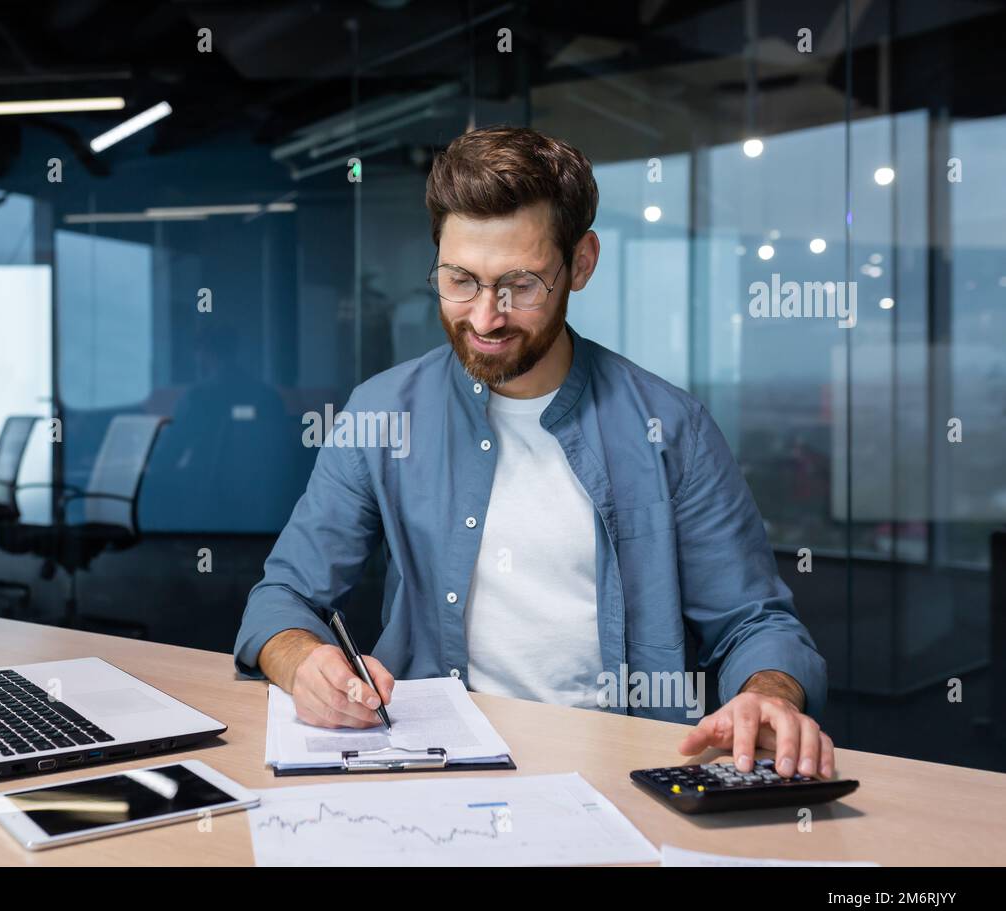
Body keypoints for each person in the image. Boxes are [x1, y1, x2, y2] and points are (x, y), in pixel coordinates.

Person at [234, 126, 834, 780]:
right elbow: (283, 596)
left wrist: (766, 697)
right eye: (459, 280)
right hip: (432, 768)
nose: (486, 318)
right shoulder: (381, 413)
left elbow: (756, 622)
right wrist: (302, 663)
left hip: (624, 771)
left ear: (581, 263)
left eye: (520, 285)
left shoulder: (672, 427)